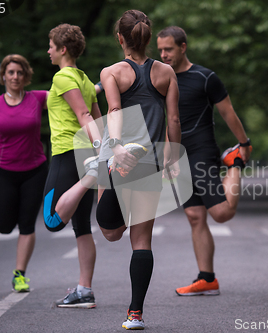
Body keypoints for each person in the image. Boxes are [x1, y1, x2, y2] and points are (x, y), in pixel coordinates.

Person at [96, 10, 181, 330]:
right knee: (139, 239)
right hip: (151, 163)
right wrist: (172, 159)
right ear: (147, 37)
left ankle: (135, 313)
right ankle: (136, 315)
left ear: (121, 38)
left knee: (110, 231)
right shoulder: (166, 73)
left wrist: (116, 146)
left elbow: (115, 109)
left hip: (120, 161)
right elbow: (174, 119)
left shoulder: (112, 72)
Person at [157, 26, 252, 296]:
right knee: (194, 215)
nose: (164, 55)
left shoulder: (205, 77)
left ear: (183, 47)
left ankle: (233, 162)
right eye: (160, 50)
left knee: (221, 213)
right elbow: (168, 121)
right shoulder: (162, 79)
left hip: (201, 151)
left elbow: (228, 112)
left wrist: (244, 143)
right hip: (179, 155)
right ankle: (207, 278)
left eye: (169, 49)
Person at [42, 23, 103, 309]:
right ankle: (84, 290)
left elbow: (83, 115)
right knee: (81, 227)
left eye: (51, 46)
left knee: (53, 220)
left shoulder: (63, 78)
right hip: (84, 154)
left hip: (68, 153)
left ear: (63, 49)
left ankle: (89, 178)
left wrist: (101, 154)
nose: (48, 51)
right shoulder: (85, 79)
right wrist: (103, 146)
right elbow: (97, 118)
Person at [0, 54, 49, 293]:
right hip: (3, 171)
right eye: (11, 72)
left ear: (26, 75)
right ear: (3, 76)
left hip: (34, 170)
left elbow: (68, 96)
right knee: (3, 226)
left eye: (20, 72)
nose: (15, 76)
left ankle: (19, 274)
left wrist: (101, 86)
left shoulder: (37, 98)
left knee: (26, 224)